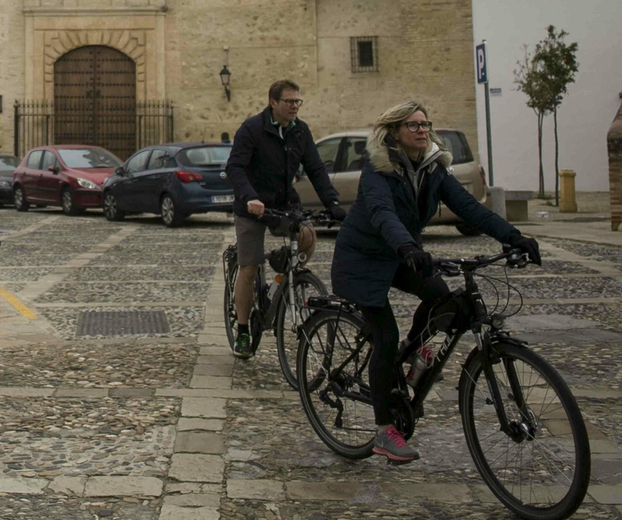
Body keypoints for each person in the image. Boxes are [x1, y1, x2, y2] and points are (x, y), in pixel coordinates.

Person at [330, 100, 540, 464]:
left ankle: (408, 356)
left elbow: (468, 206)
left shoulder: (433, 167)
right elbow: (381, 213)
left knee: (445, 301)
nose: (422, 130)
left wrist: (513, 236)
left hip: (402, 253)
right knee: (385, 336)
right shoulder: (377, 169)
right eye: (412, 125)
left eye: (425, 123)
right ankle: (384, 432)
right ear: (394, 132)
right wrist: (409, 246)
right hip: (363, 260)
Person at [225, 79, 347, 357]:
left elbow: (315, 168)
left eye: (297, 101)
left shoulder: (300, 131)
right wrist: (249, 197)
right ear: (274, 103)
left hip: (283, 204)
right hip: (252, 207)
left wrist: (333, 202)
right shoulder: (252, 129)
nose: (295, 106)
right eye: (290, 101)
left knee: (307, 237)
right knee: (249, 266)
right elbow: (235, 167)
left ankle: (281, 276)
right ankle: (243, 330)